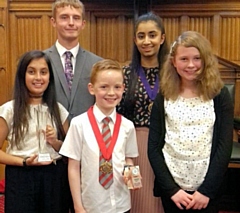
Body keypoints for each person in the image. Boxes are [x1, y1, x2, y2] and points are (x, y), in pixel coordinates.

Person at [148, 31, 233, 213]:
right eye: (184, 59)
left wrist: (206, 191)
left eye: (197, 58)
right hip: (174, 189)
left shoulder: (219, 95)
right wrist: (172, 190)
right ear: (173, 61)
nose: (191, 65)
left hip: (207, 190)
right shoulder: (164, 95)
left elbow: (224, 146)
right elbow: (153, 147)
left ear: (205, 60)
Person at [60, 59, 139, 213]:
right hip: (91, 204)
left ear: (123, 88)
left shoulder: (127, 126)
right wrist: (78, 206)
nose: (111, 93)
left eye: (117, 87)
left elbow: (129, 158)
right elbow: (73, 167)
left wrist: (131, 173)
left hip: (121, 204)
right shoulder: (79, 124)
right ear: (91, 88)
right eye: (104, 87)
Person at [0, 50, 71, 213]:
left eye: (43, 72)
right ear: (22, 75)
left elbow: (70, 151)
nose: (38, 78)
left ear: (50, 77)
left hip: (53, 177)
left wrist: (55, 143)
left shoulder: (59, 110)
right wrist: (24, 162)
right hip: (21, 177)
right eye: (31, 72)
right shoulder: (9, 110)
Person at [117, 12, 168, 213]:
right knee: (134, 197)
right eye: (141, 36)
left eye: (152, 35)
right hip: (131, 148)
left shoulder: (173, 74)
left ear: (162, 38)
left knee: (160, 199)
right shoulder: (125, 74)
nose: (146, 41)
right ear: (134, 40)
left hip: (166, 146)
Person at [45, 0, 102, 121]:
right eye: (64, 17)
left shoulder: (97, 64)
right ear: (53, 22)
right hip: (49, 135)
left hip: (87, 135)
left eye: (76, 18)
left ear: (83, 23)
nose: (71, 23)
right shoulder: (40, 61)